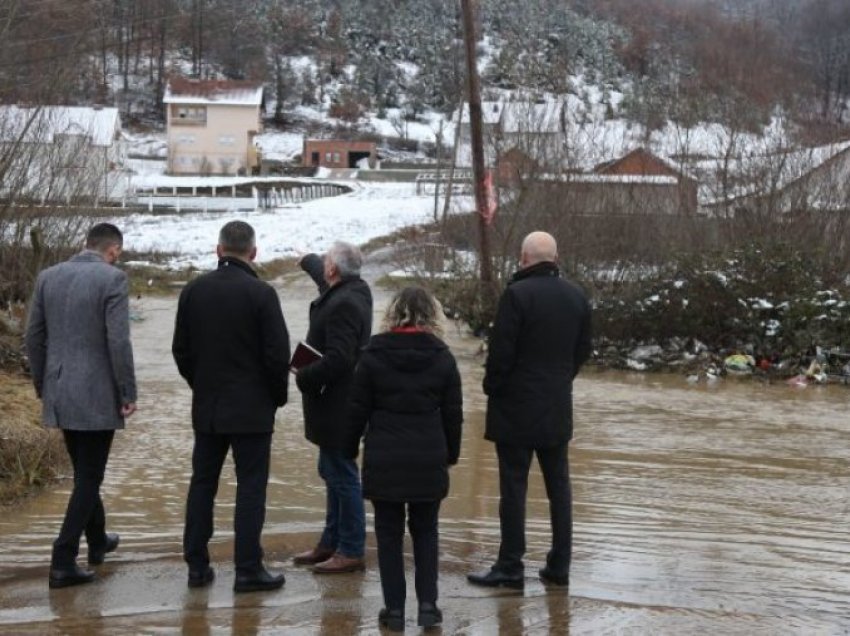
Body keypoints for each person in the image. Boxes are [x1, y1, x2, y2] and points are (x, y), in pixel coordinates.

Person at [467, 231, 592, 590]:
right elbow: (583, 349)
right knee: (559, 487)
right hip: (556, 404)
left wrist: (491, 387)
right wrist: (561, 379)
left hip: (515, 407)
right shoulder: (577, 296)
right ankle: (559, 565)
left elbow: (501, 353)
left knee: (514, 487)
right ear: (555, 257)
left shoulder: (516, 295)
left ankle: (510, 566)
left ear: (524, 257)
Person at [172, 221, 290, 593]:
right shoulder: (262, 294)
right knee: (250, 488)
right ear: (253, 253)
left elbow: (181, 350)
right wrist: (276, 397)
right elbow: (277, 355)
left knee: (202, 484)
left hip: (207, 406)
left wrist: (200, 383)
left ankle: (196, 565)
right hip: (253, 410)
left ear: (218, 249)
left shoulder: (193, 291)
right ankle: (248, 569)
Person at [25, 223, 137, 588]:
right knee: (90, 476)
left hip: (59, 388)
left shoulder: (48, 276)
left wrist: (43, 384)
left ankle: (99, 540)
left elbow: (33, 336)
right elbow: (118, 342)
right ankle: (62, 558)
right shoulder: (113, 279)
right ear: (114, 250)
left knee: (85, 473)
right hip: (96, 392)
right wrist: (127, 391)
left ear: (84, 243)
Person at [346, 286, 462, 632]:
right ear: (433, 315)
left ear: (392, 314)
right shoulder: (443, 357)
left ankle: (393, 610)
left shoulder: (371, 355)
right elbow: (453, 415)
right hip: (428, 455)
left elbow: (357, 410)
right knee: (426, 532)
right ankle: (428, 606)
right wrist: (450, 455)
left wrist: (349, 448)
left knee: (388, 534)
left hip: (385, 455)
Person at [292, 242, 371, 574]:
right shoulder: (351, 288)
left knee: (342, 475)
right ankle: (331, 542)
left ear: (334, 270)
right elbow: (323, 279)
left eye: (325, 261)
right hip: (335, 404)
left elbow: (340, 357)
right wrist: (308, 259)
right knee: (333, 472)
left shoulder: (344, 304)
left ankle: (351, 549)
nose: (322, 265)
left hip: (340, 404)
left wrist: (304, 377)